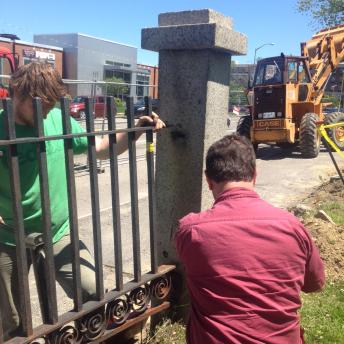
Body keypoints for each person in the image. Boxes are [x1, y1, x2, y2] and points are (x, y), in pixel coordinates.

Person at [0, 62, 165, 339]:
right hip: (7, 239)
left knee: (94, 294)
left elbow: (100, 148)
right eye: (41, 105)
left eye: (52, 105)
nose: (48, 112)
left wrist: (135, 130)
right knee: (14, 322)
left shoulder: (58, 117)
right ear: (16, 93)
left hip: (58, 232)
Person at [175, 134, 325, 344]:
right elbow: (314, 284)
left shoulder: (189, 231)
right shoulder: (293, 227)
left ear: (208, 180)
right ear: (255, 174)